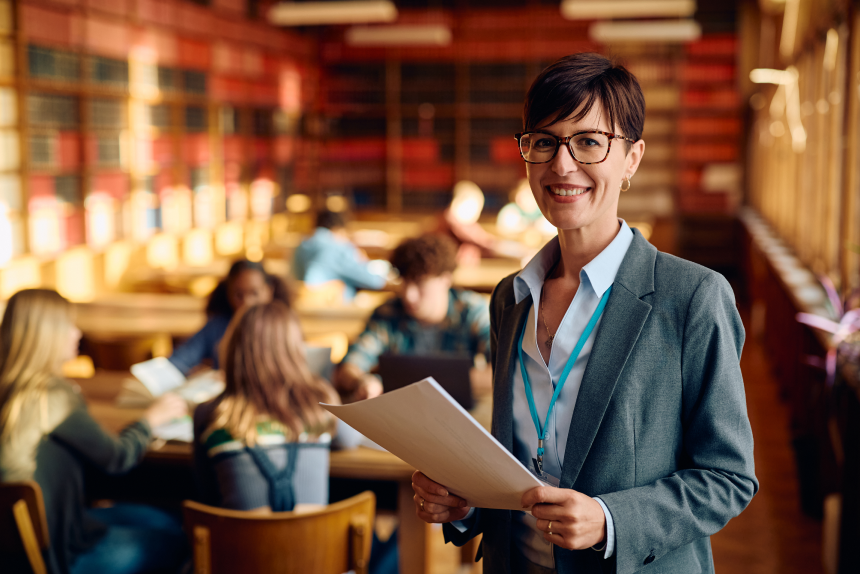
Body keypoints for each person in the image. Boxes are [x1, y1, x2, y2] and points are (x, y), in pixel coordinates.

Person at [410, 53, 758, 574]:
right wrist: (464, 501)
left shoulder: (693, 298)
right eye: (544, 142)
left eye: (589, 142)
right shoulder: (510, 298)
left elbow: (728, 478)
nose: (561, 165)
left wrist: (611, 520)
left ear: (632, 158)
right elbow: (520, 459)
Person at [0, 289, 188, 574]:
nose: (78, 333)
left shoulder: (11, 391)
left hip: (25, 551)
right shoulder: (53, 397)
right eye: (69, 325)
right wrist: (150, 420)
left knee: (165, 521)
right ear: (47, 335)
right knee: (181, 538)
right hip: (62, 556)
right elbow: (116, 458)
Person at [192, 299, 361, 511]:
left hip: (239, 533)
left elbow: (206, 496)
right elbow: (349, 439)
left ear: (234, 348)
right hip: (315, 533)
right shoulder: (320, 403)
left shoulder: (210, 414)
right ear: (297, 349)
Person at [334, 234, 491, 402]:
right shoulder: (388, 314)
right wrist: (362, 382)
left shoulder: (473, 311)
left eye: (420, 283)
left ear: (445, 279)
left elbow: (502, 371)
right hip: (401, 411)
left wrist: (431, 384)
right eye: (405, 282)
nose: (409, 295)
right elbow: (350, 366)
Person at [168, 258, 292, 375]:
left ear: (269, 291)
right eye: (239, 295)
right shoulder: (217, 327)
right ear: (228, 294)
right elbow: (180, 360)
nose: (246, 303)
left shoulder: (284, 328)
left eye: (254, 293)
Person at [291, 209, 388, 301]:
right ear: (338, 229)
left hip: (303, 303)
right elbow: (374, 281)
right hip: (333, 306)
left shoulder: (301, 245)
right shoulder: (338, 246)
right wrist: (362, 260)